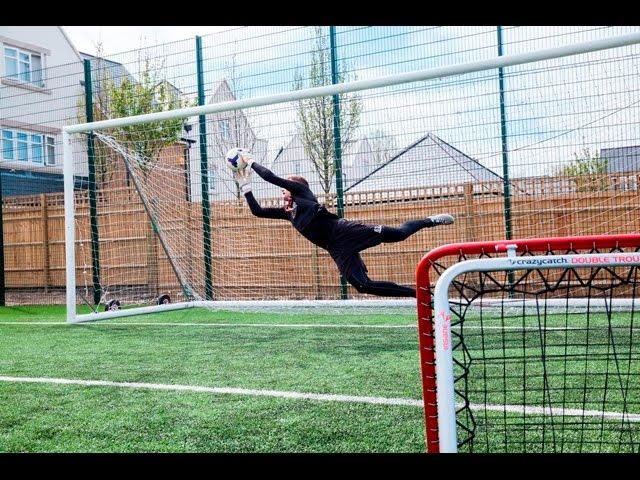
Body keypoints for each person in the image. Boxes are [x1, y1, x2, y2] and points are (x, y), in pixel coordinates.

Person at [230, 150, 454, 298]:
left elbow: (270, 176)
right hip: (336, 248)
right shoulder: (289, 214)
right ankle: (419, 294)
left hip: (345, 231)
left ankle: (430, 221)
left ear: (294, 187)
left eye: (284, 188)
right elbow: (258, 212)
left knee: (399, 234)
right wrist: (246, 187)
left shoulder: (302, 192)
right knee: (362, 285)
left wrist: (250, 161)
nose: (282, 193)